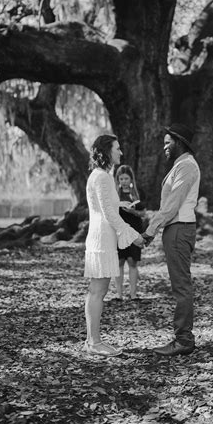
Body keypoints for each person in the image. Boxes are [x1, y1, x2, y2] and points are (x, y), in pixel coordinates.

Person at [142, 123, 201, 356]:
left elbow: (171, 204)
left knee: (181, 286)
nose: (164, 147)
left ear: (179, 142)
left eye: (168, 142)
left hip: (179, 229)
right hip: (175, 229)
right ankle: (183, 337)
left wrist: (150, 230)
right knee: (180, 284)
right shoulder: (181, 165)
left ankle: (184, 339)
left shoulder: (186, 166)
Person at [84, 135, 144, 357]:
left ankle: (92, 340)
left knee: (95, 291)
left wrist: (121, 203)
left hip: (99, 237)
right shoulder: (104, 178)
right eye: (117, 149)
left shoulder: (99, 176)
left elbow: (105, 205)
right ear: (107, 151)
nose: (121, 152)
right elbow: (109, 214)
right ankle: (95, 342)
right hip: (102, 238)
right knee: (98, 291)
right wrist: (133, 235)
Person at [114, 164, 146, 300]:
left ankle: (133, 294)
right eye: (121, 179)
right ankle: (119, 294)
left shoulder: (137, 194)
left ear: (131, 179)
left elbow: (143, 213)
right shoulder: (115, 194)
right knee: (119, 262)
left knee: (132, 262)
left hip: (134, 231)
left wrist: (133, 211)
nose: (124, 181)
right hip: (119, 232)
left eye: (126, 178)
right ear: (118, 180)